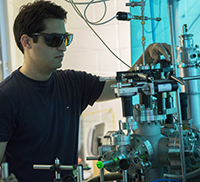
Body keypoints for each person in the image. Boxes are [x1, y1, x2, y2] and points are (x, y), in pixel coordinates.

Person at [0, 1, 171, 182]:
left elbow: (123, 85)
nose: (63, 47)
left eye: (66, 39)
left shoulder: (73, 83)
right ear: (26, 42)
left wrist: (147, 54)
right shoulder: (7, 97)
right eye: (54, 40)